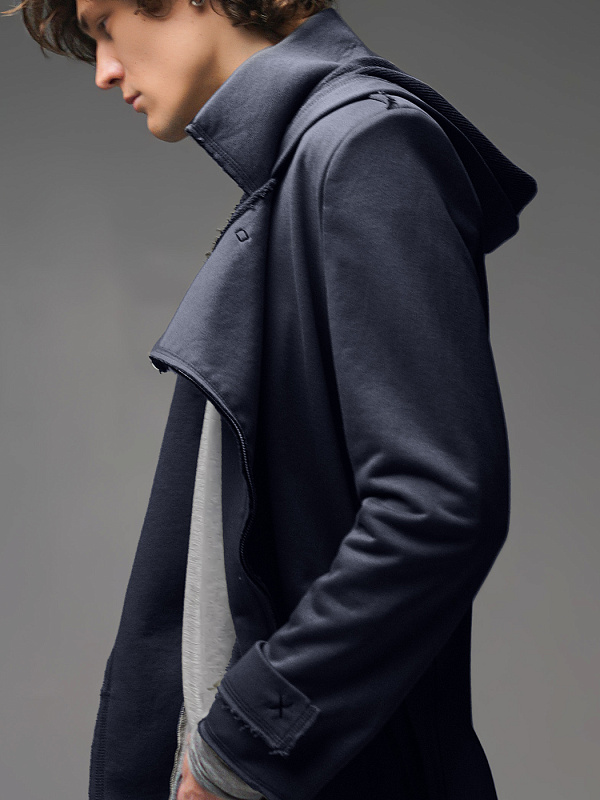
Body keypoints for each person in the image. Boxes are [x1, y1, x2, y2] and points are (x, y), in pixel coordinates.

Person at [2, 1, 538, 799]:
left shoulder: (366, 146)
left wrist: (243, 752)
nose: (105, 69)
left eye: (106, 22)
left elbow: (435, 507)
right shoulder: (304, 166)